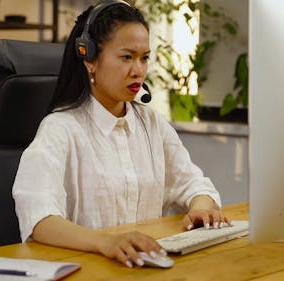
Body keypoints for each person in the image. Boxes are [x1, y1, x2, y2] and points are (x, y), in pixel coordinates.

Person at [12, 0, 229, 268]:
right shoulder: (60, 129)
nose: (138, 70)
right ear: (90, 59)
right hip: (88, 269)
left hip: (145, 266)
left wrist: (201, 208)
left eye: (144, 58)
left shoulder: (150, 122)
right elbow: (39, 220)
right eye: (127, 57)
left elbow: (194, 184)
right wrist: (105, 242)